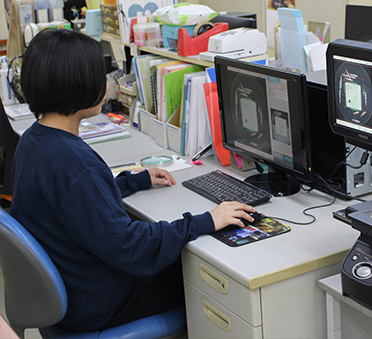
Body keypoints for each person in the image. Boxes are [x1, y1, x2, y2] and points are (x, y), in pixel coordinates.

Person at [10, 28, 257, 332]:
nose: (106, 84)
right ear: (78, 83)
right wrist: (207, 219)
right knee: (193, 269)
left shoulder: (34, 140)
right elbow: (130, 247)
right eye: (99, 75)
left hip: (73, 287)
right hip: (98, 304)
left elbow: (76, 204)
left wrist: (132, 182)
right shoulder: (74, 163)